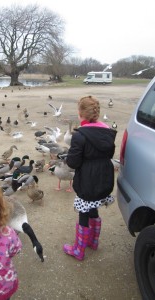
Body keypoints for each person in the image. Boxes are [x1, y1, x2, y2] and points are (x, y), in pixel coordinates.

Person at [63, 95, 117, 261]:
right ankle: (93, 241)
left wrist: (68, 157)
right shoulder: (108, 131)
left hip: (87, 179)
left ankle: (79, 249)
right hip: (104, 178)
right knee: (93, 206)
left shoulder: (80, 135)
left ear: (80, 114)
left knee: (83, 212)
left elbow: (73, 162)